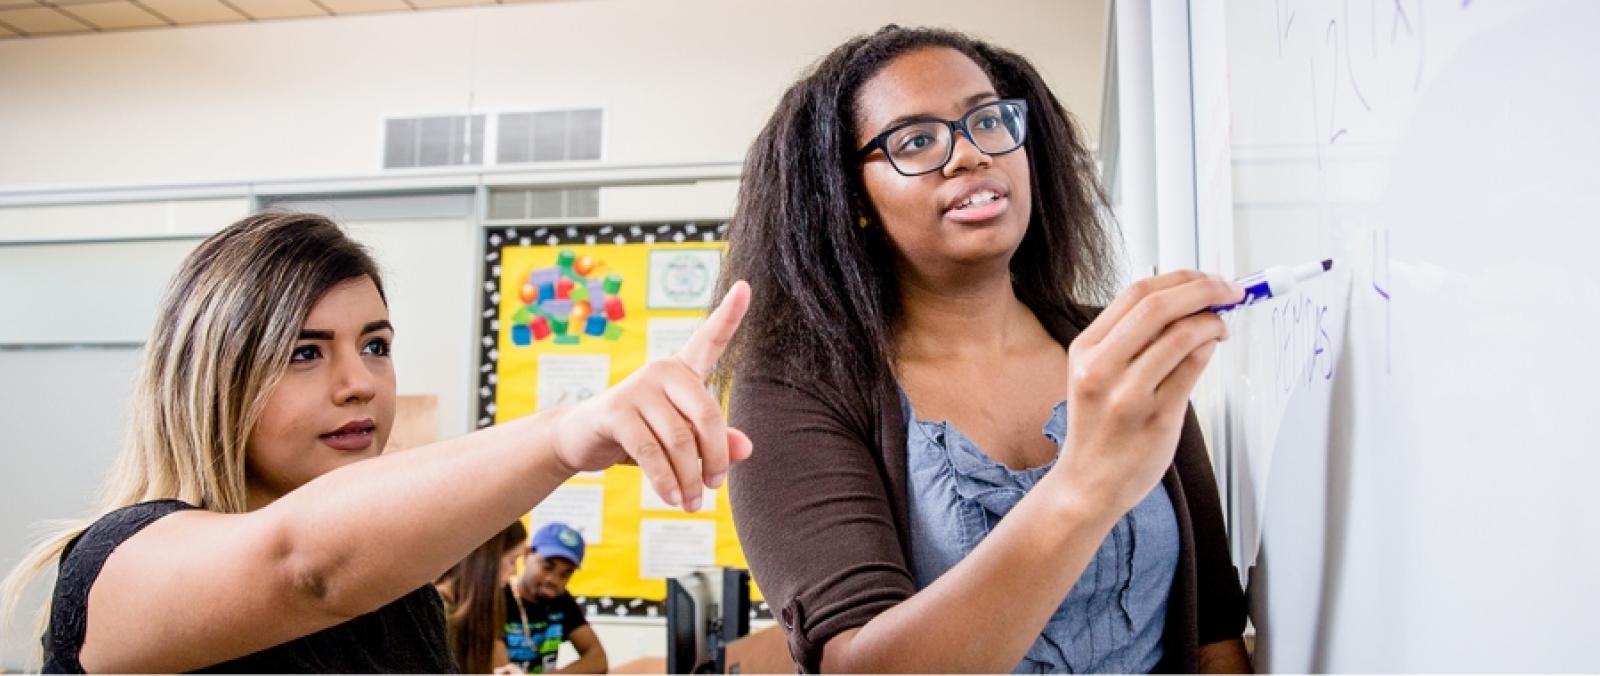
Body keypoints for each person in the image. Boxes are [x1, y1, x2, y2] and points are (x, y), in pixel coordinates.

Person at [0, 212, 752, 672]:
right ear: (215, 378)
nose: (359, 382)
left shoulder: (396, 594)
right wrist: (566, 434)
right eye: (304, 352)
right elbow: (302, 565)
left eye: (376, 345)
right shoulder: (118, 564)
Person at [718, 26, 1252, 673]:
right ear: (852, 197)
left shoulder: (1119, 350)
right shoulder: (792, 390)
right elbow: (858, 668)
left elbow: (1215, 635)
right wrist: (1084, 487)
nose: (970, 155)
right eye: (916, 140)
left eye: (988, 120)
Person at [501, 522, 606, 674]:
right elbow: (499, 670)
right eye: (547, 567)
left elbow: (598, 659)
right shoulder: (499, 598)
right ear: (527, 554)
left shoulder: (562, 600)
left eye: (565, 574)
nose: (553, 580)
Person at [437, 521, 529, 674]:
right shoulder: (436, 610)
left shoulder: (476, 612)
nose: (514, 572)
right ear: (489, 559)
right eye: (512, 561)